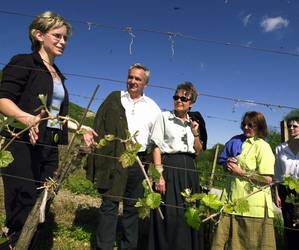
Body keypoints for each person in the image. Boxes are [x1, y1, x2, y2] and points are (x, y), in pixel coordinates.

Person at [0, 11, 96, 249]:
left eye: (65, 38)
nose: (63, 42)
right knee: (22, 205)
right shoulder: (24, 62)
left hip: (48, 146)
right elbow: (3, 99)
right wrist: (27, 118)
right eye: (57, 36)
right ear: (39, 35)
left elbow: (55, 116)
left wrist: (79, 126)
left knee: (41, 205)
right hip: (21, 142)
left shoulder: (58, 76)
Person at [86, 63, 161, 250]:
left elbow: (157, 140)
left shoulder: (153, 108)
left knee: (132, 209)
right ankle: (104, 246)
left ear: (146, 84)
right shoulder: (115, 98)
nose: (132, 81)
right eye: (131, 77)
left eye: (138, 79)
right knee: (109, 204)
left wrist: (155, 169)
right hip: (113, 158)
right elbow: (99, 124)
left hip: (138, 161)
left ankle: (129, 246)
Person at [147, 82, 203, 250]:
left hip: (190, 170)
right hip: (170, 168)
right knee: (170, 214)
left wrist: (195, 133)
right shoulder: (164, 117)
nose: (179, 100)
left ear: (191, 102)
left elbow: (198, 152)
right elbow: (156, 147)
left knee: (189, 211)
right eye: (176, 97)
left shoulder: (192, 124)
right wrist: (159, 175)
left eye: (183, 98)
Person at [211, 111, 276, 250]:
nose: (246, 127)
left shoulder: (263, 147)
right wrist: (228, 163)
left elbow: (268, 179)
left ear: (259, 127)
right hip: (229, 203)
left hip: (252, 207)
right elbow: (224, 164)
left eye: (250, 125)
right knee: (219, 244)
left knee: (249, 245)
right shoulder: (235, 141)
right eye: (244, 124)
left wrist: (241, 172)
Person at [274, 112, 299, 249]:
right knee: (289, 225)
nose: (291, 128)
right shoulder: (280, 148)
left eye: (295, 126)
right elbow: (277, 172)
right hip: (286, 190)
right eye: (289, 126)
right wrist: (277, 193)